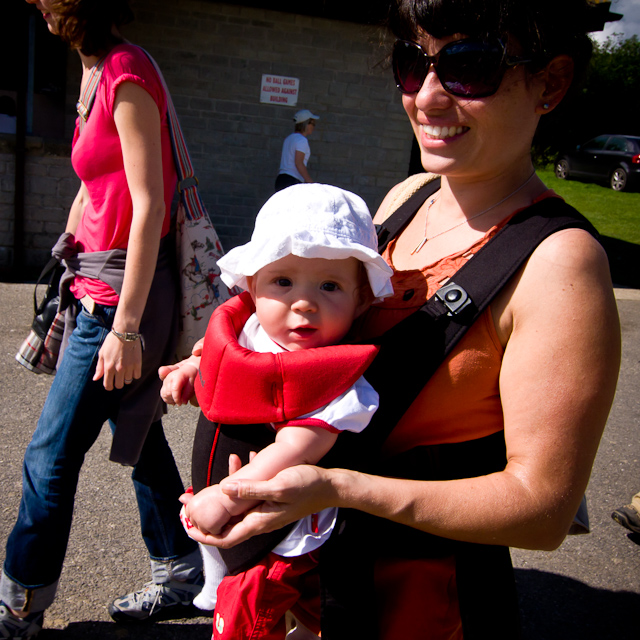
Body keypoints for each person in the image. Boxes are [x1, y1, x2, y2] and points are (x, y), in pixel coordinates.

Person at [186, 1, 621, 638]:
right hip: (318, 584)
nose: (429, 98)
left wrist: (338, 488)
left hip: (424, 605)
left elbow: (540, 509)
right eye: (413, 65)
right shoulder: (404, 199)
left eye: (470, 68)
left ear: (549, 83)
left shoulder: (561, 264)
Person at [0, 2, 204, 637]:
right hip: (89, 279)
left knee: (49, 457)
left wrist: (126, 329)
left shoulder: (126, 71)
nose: (37, 4)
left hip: (117, 298)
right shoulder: (94, 73)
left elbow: (150, 207)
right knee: (139, 437)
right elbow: (95, 184)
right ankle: (181, 571)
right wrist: (64, 249)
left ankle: (18, 605)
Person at [162, 184, 394, 639]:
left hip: (272, 528)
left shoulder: (338, 378)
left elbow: (299, 444)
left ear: (362, 299)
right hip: (217, 498)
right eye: (282, 282)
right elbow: (221, 358)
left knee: (250, 617)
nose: (303, 302)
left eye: (329, 286)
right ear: (251, 283)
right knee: (229, 581)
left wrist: (229, 496)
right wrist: (192, 368)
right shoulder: (249, 329)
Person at [274, 109, 319, 192]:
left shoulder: (289, 138)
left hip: (281, 180)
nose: (313, 127)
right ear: (306, 124)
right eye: (313, 124)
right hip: (292, 181)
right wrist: (310, 182)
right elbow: (298, 163)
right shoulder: (302, 140)